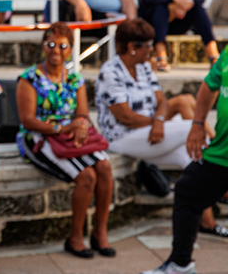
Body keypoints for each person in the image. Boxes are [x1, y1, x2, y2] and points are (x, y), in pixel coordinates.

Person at [95, 19, 225, 238]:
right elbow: (125, 116)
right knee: (191, 128)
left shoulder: (143, 66)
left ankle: (208, 223)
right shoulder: (110, 71)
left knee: (193, 159)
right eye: (147, 45)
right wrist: (157, 122)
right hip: (122, 137)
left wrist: (159, 120)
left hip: (150, 130)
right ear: (131, 47)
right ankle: (221, 159)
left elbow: (162, 100)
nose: (152, 49)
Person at [16, 22, 114, 259]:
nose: (56, 51)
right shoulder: (29, 78)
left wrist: (80, 127)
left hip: (69, 135)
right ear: (43, 47)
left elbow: (82, 114)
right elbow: (28, 120)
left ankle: (100, 232)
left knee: (104, 167)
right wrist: (62, 127)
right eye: (51, 45)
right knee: (87, 176)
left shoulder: (75, 80)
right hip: (38, 137)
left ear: (70, 49)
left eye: (62, 46)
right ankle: (75, 237)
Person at [141, 48, 228, 274]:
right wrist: (197, 124)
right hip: (222, 151)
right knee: (189, 189)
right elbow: (209, 85)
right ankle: (181, 264)